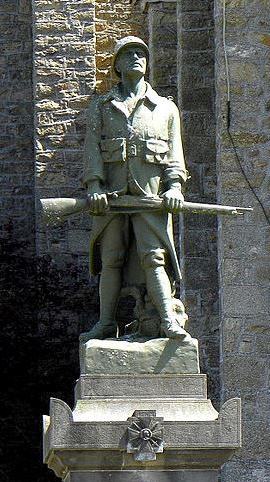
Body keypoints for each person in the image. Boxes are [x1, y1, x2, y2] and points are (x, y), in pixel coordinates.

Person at [80, 36, 190, 342]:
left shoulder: (165, 109)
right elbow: (92, 151)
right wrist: (93, 186)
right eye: (128, 54)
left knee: (154, 258)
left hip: (150, 198)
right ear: (116, 64)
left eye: (140, 53)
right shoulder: (102, 107)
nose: (135, 58)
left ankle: (168, 321)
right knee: (111, 258)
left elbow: (174, 156)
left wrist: (175, 187)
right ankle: (105, 323)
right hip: (110, 200)